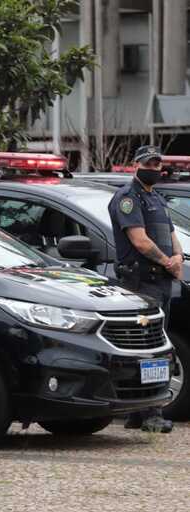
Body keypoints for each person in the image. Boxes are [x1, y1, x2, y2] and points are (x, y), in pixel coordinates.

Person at [108, 145, 182, 434]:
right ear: (136, 164)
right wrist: (167, 262)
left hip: (161, 281)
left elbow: (171, 234)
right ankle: (150, 412)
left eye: (158, 163)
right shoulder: (128, 197)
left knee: (159, 346)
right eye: (150, 162)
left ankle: (139, 414)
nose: (155, 167)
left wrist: (177, 259)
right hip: (141, 283)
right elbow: (139, 241)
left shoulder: (157, 198)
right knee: (147, 349)